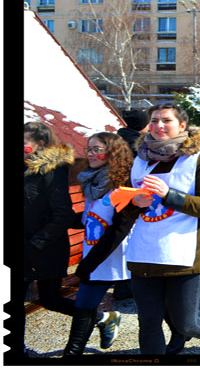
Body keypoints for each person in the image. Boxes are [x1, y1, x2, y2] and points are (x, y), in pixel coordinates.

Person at [122, 104, 200, 354]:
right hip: (145, 253)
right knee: (149, 322)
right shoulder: (140, 160)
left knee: (187, 323)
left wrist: (168, 195)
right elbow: (124, 206)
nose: (158, 126)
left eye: (166, 120)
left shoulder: (199, 158)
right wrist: (134, 202)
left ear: (182, 126)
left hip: (183, 255)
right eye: (154, 121)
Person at [63, 132, 136, 355]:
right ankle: (72, 353)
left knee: (164, 311)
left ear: (112, 153)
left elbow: (118, 229)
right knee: (84, 305)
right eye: (89, 149)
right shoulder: (92, 182)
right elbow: (90, 221)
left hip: (120, 256)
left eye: (98, 149)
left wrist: (88, 263)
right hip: (95, 257)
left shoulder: (122, 185)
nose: (91, 154)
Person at [23, 122, 77, 353]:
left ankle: (97, 316)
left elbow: (63, 213)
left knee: (50, 299)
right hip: (23, 247)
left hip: (44, 248)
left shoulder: (51, 170)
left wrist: (36, 244)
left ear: (40, 144)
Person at [114, 109, 150, 300]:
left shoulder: (116, 140)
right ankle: (126, 285)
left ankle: (122, 284)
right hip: (133, 195)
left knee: (121, 239)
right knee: (130, 239)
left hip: (116, 194)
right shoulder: (138, 145)